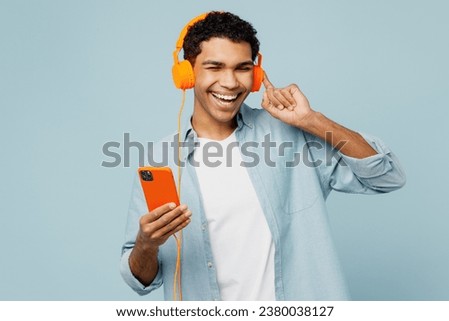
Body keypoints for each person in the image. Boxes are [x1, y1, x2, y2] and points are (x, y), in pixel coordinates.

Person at [120, 11, 406, 301]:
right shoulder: (161, 160)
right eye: (215, 67)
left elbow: (387, 175)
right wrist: (147, 244)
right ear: (188, 73)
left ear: (256, 74)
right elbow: (139, 280)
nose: (230, 82)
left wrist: (312, 120)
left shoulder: (289, 135)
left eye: (242, 68)